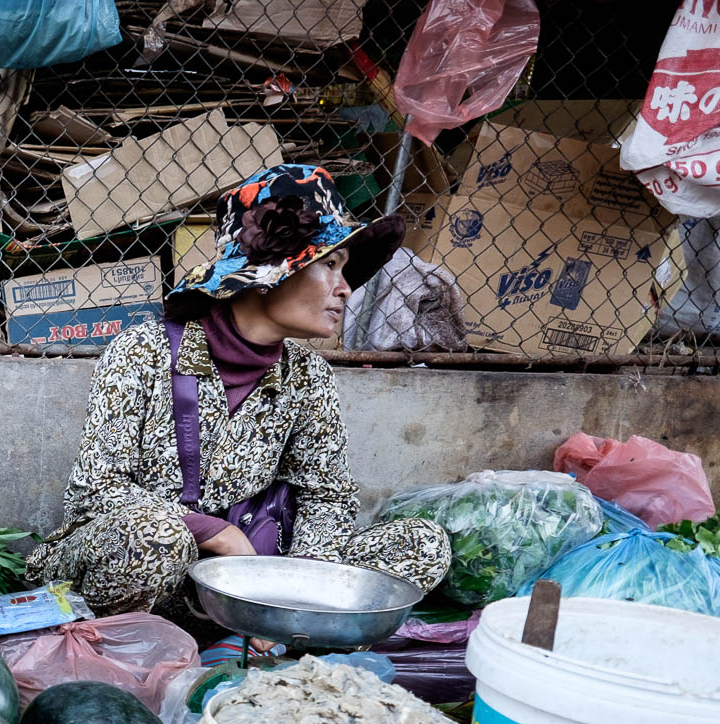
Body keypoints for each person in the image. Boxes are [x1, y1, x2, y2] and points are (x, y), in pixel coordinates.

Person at [26, 165, 451, 636]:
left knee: (421, 544)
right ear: (270, 274)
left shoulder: (309, 376)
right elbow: (96, 490)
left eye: (345, 268)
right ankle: (127, 652)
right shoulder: (142, 352)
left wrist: (295, 590)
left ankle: (289, 649)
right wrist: (216, 533)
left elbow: (326, 496)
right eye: (329, 264)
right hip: (148, 582)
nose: (346, 288)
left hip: (251, 590)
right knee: (155, 536)